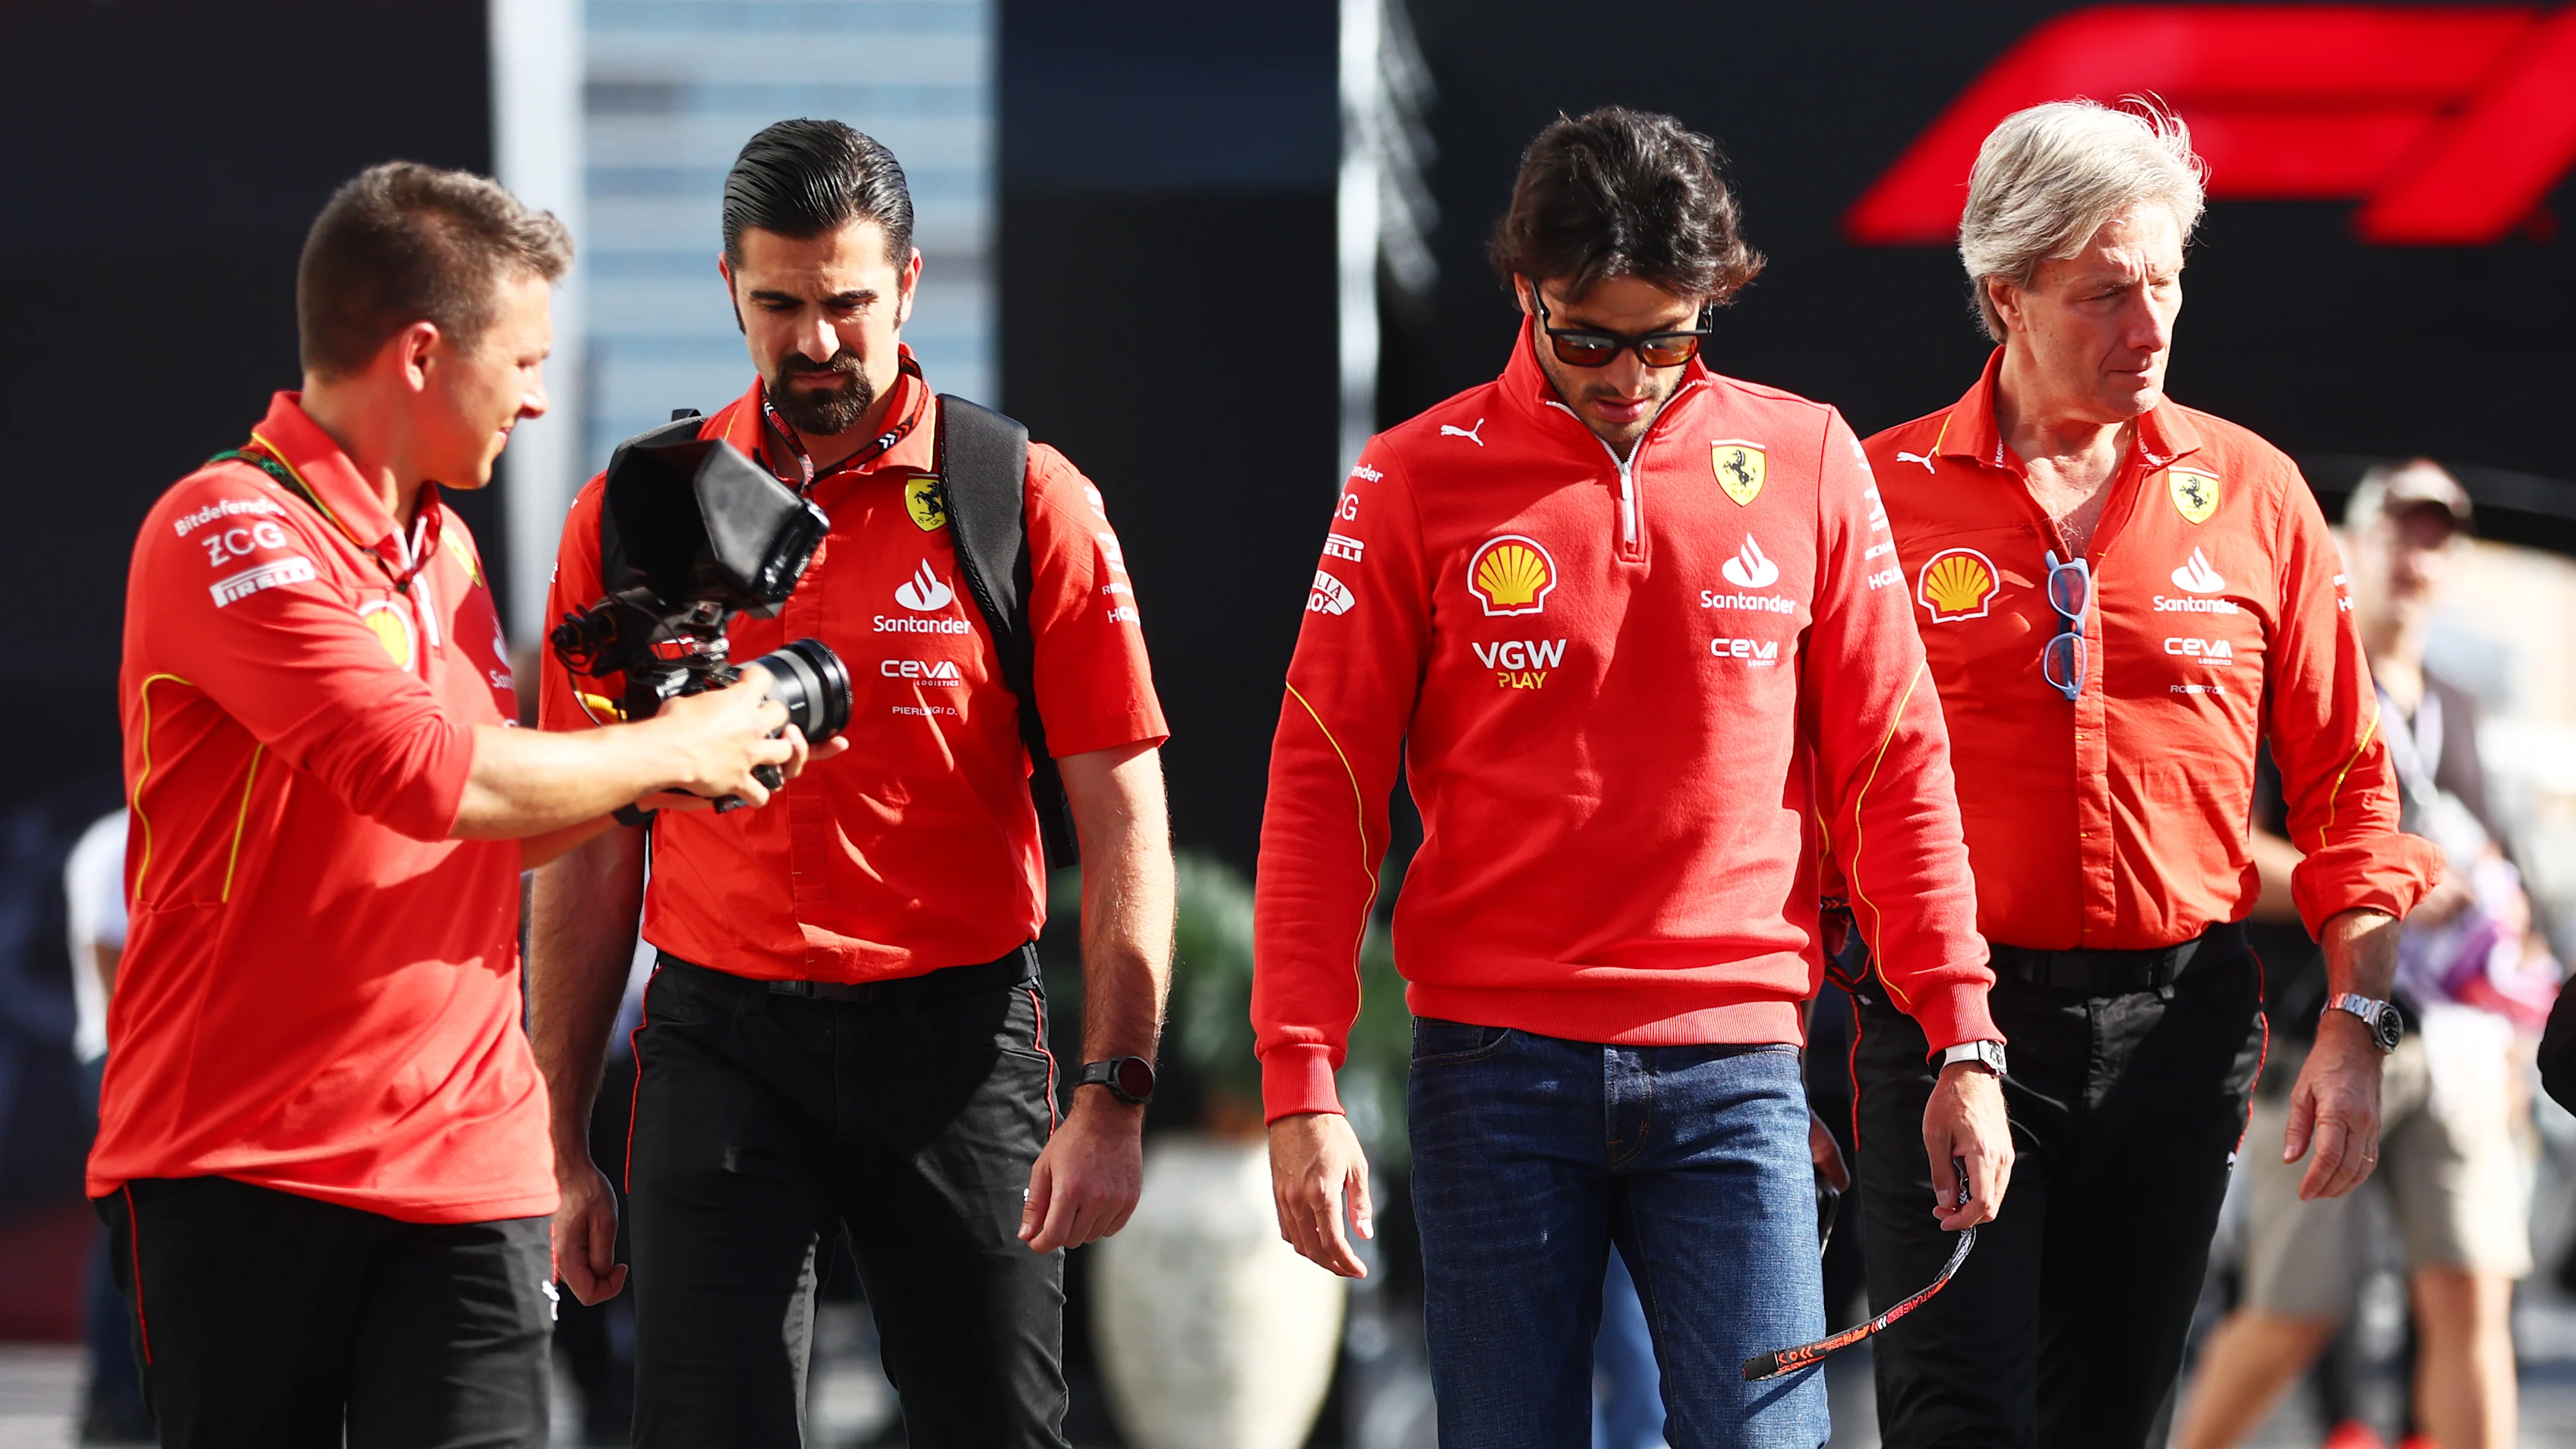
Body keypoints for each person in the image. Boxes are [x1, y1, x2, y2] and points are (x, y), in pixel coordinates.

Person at [1254, 106, 2009, 1448]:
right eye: (1584, 334)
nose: (1625, 374)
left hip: (1734, 1070)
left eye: (1666, 335)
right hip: (1493, 1065)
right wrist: (1301, 1078)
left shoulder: (1807, 457)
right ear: (1522, 289)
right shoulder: (1412, 477)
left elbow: (1897, 765)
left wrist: (1960, 1030)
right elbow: (1321, 787)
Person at [92, 161, 816, 1449]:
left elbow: (503, 817)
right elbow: (438, 777)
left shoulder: (451, 549)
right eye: (522, 361)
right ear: (422, 353)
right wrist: (669, 743)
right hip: (242, 1166)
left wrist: (682, 775)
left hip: (464, 1170)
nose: (539, 399)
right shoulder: (223, 525)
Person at [532, 118, 1176, 1449]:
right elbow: (588, 841)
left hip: (958, 1039)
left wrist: (1113, 1090)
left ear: (910, 285)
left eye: (845, 302)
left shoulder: (1019, 496)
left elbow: (1123, 824)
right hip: (718, 1034)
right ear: (728, 289)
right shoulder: (637, 514)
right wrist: (552, 1133)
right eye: (778, 303)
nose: (814, 341)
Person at [1853, 100, 2442, 1449]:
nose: (2148, 328)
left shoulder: (2254, 491)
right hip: (1946, 1021)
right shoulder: (1876, 494)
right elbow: (1800, 789)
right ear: (2002, 294)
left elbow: (2352, 785)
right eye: (2104, 294)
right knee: (1957, 1420)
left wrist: (2357, 1020)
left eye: (2165, 283)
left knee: (2110, 1423)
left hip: (2175, 1027)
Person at [2178, 462, 2554, 1449]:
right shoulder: (2297, 680)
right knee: (2295, 1309)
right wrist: (2371, 888)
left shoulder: (2459, 705)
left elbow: (2503, 877)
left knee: (2476, 1293)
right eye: (2398, 529)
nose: (2416, 554)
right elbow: (2220, 853)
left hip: (2458, 1045)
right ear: (2354, 544)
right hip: (2320, 1036)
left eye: (2437, 534)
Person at [63, 809, 150, 1444]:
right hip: (120, 1057)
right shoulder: (113, 840)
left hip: (170, 1061)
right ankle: (111, 1397)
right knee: (126, 1227)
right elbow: (108, 959)